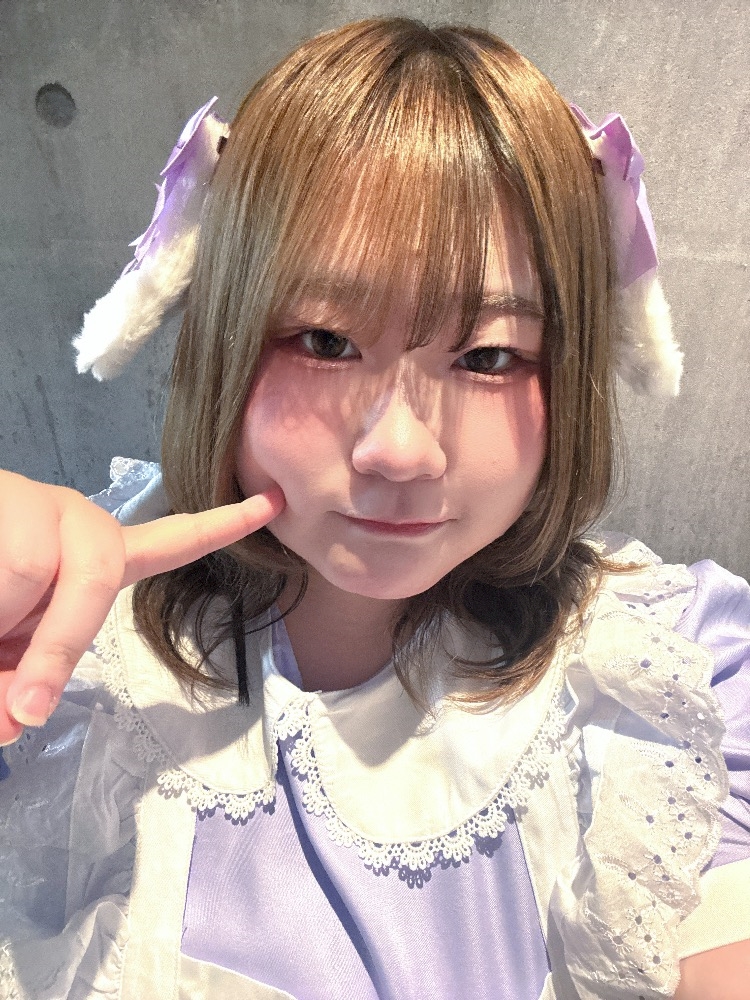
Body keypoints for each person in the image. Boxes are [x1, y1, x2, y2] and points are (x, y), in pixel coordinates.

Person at [0, 16, 748, 1000]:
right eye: (324, 340)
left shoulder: (678, 674)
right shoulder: (54, 635)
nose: (401, 449)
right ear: (223, 335)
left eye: (489, 355)